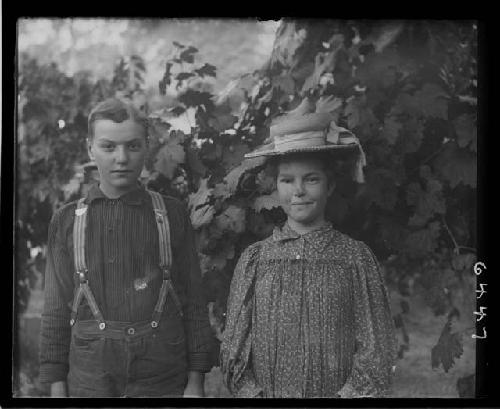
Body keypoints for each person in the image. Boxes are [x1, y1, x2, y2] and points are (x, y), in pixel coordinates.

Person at [220, 100, 398, 398]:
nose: (298, 191)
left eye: (311, 179)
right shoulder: (256, 259)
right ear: (276, 188)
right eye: (287, 180)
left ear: (329, 186)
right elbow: (234, 349)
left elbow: (376, 348)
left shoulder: (354, 257)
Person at [39, 98, 213, 397]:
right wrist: (57, 387)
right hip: (91, 375)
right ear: (89, 148)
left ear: (146, 147)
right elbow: (55, 310)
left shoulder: (171, 214)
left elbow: (194, 301)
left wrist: (195, 382)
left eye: (132, 146)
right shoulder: (67, 220)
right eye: (108, 147)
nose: (121, 158)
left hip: (162, 373)